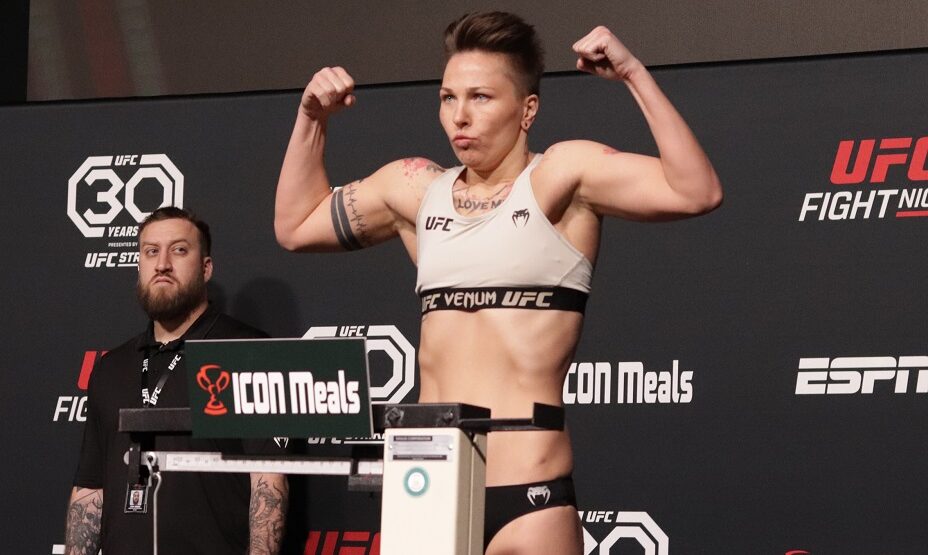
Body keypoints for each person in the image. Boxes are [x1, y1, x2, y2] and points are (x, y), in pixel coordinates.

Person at [274, 11, 722, 554]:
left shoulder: (561, 176)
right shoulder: (416, 190)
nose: (459, 116)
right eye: (448, 97)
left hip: (528, 495)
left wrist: (633, 74)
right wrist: (311, 118)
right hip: (427, 488)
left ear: (527, 109)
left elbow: (696, 191)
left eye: (481, 97)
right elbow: (296, 225)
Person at [65, 207, 288, 555]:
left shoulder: (248, 352)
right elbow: (90, 489)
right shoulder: (110, 368)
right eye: (151, 251)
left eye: (179, 250)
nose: (162, 264)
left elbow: (268, 481)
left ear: (206, 267)